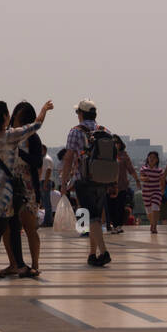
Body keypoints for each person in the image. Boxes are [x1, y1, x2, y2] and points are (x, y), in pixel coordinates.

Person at [0, 98, 52, 278]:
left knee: (13, 227)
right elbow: (36, 125)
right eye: (8, 114)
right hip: (8, 190)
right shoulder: (9, 136)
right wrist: (44, 109)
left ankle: (21, 265)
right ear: (3, 117)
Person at [58, 100, 114, 267]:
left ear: (80, 114)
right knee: (93, 216)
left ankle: (103, 252)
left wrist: (63, 182)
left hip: (84, 179)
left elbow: (68, 158)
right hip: (102, 179)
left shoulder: (75, 132)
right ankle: (92, 254)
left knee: (93, 217)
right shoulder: (105, 131)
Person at [10, 102, 43, 275]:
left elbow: (37, 162)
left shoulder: (32, 138)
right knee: (9, 228)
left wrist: (19, 152)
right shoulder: (8, 136)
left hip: (28, 186)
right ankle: (15, 263)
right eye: (16, 116)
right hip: (9, 184)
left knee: (30, 227)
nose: (18, 120)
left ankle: (35, 263)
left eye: (22, 118)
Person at [106, 137, 140, 234]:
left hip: (122, 186)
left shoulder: (124, 155)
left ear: (120, 144)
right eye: (113, 143)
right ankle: (114, 225)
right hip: (109, 186)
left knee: (120, 206)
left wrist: (137, 179)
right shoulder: (107, 156)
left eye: (117, 142)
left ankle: (119, 225)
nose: (115, 144)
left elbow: (131, 169)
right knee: (111, 207)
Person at [140, 151, 165, 234]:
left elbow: (162, 181)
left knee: (155, 207)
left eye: (153, 157)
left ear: (157, 160)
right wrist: (144, 179)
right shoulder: (144, 168)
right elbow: (142, 177)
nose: (151, 159)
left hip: (156, 191)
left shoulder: (159, 170)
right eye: (150, 157)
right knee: (149, 211)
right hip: (146, 193)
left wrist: (162, 191)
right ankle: (152, 223)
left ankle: (154, 227)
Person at [40, 145, 54, 228]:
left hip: (45, 182)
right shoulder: (45, 159)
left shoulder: (46, 159)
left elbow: (48, 171)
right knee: (45, 203)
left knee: (46, 203)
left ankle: (48, 221)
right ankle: (48, 220)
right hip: (43, 181)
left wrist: (45, 183)